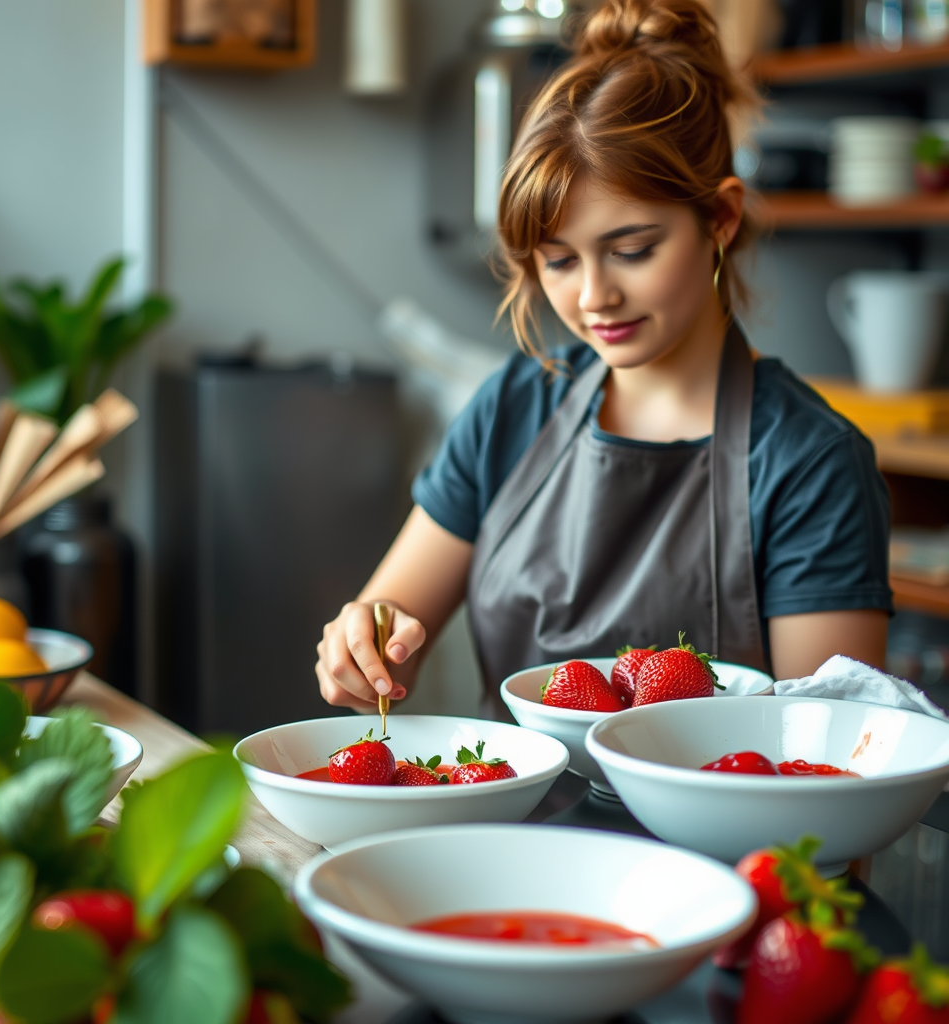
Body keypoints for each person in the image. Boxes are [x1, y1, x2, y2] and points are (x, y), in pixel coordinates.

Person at [316, 0, 891, 716]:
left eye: (632, 251)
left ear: (720, 220)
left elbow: (827, 756)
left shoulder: (810, 460)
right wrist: (364, 642)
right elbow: (389, 623)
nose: (594, 297)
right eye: (557, 261)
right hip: (507, 826)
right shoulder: (512, 407)